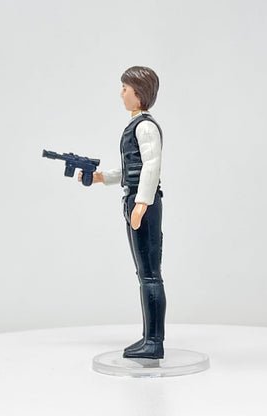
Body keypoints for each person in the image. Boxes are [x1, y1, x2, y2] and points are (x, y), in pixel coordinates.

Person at [79, 66, 166, 359]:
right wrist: (101, 177)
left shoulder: (145, 127)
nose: (121, 94)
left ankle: (154, 342)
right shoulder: (136, 125)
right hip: (135, 200)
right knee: (144, 274)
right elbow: (132, 169)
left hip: (143, 203)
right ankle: (149, 338)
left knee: (150, 275)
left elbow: (152, 166)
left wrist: (142, 203)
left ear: (138, 93)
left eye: (125, 89)